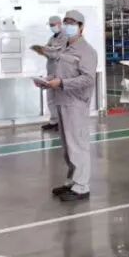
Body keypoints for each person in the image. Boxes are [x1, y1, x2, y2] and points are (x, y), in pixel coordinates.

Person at [40, 11, 98, 203]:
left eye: (72, 23)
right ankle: (72, 181)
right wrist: (48, 80)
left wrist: (62, 83)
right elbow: (61, 72)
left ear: (81, 27)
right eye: (66, 22)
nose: (68, 26)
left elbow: (88, 79)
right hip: (62, 99)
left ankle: (82, 186)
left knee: (77, 145)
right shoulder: (64, 47)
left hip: (75, 102)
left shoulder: (86, 51)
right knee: (67, 146)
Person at [38, 16, 66, 131]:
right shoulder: (52, 38)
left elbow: (56, 54)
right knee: (50, 99)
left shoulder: (65, 37)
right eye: (50, 25)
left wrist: (47, 50)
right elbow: (47, 50)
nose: (52, 27)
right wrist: (44, 50)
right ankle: (54, 121)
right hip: (51, 72)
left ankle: (63, 123)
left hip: (60, 72)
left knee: (60, 99)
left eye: (53, 25)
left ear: (59, 24)